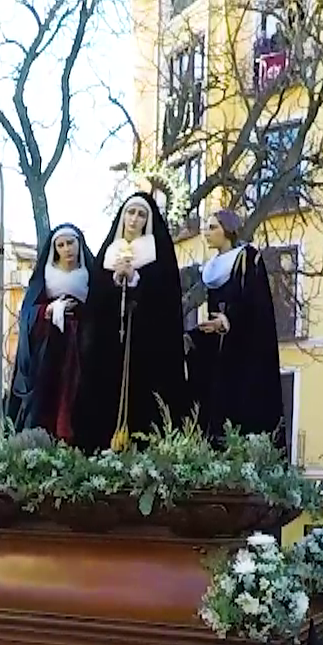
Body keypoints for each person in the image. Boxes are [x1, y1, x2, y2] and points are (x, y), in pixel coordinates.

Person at [77, 192, 188, 452]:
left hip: (146, 342)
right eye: (130, 212)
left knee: (144, 397)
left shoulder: (158, 251)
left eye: (141, 214)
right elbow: (95, 298)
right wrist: (115, 280)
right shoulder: (109, 251)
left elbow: (167, 295)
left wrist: (137, 279)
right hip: (109, 342)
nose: (134, 219)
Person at [185, 208, 285, 442]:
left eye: (212, 228)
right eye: (206, 227)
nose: (206, 233)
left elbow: (256, 300)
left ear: (227, 230)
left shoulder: (247, 257)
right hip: (218, 348)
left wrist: (229, 319)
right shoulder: (211, 268)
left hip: (243, 346)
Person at [5, 223, 103, 443]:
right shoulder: (44, 279)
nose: (67, 249)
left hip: (82, 346)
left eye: (71, 243)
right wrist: (47, 311)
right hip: (49, 349)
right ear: (55, 249)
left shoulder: (92, 277)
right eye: (61, 245)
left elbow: (101, 309)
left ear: (79, 244)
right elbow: (27, 314)